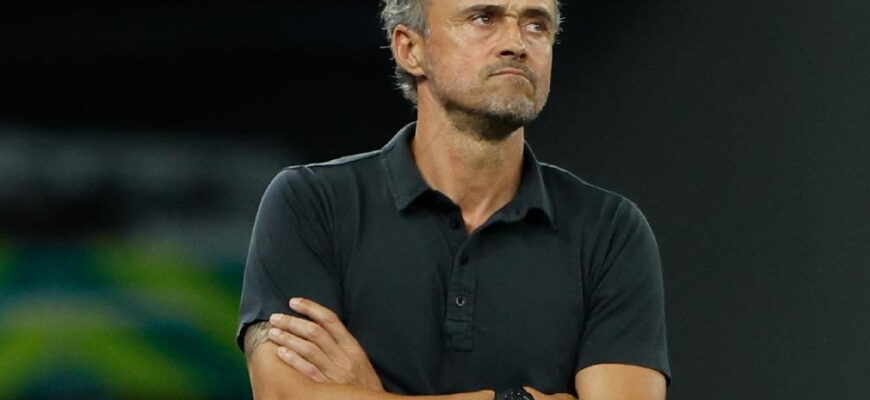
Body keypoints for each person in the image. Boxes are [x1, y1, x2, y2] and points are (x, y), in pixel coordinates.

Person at [237, 0, 671, 399]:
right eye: (484, 18)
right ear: (410, 48)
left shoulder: (609, 231)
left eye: (537, 24)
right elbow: (282, 394)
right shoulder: (312, 204)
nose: (517, 43)